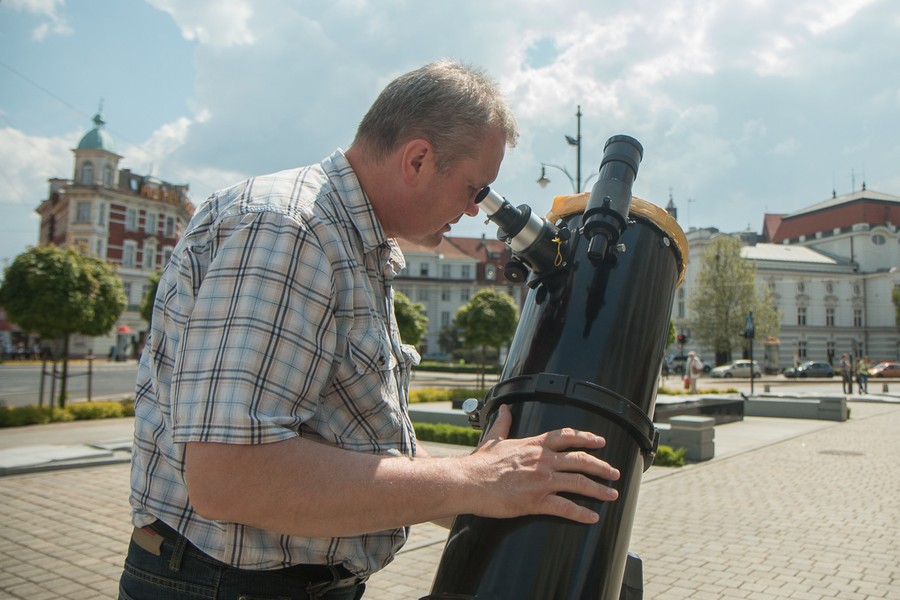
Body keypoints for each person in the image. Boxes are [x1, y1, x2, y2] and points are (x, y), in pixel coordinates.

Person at [119, 60, 622, 600]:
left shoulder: (347, 240)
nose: (476, 211)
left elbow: (357, 441)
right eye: (474, 188)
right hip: (224, 586)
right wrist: (474, 482)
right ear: (419, 159)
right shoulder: (290, 230)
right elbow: (231, 477)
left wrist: (493, 488)